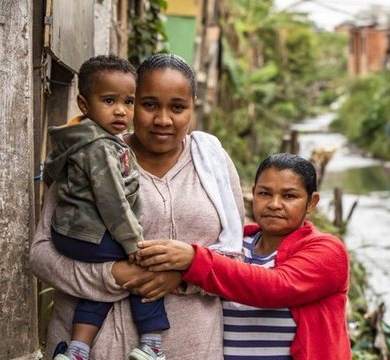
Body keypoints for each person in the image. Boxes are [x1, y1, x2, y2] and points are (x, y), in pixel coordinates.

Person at [30, 53, 244, 359]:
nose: (163, 120)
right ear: (131, 102)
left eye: (178, 107)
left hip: (192, 347)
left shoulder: (213, 163)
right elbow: (40, 255)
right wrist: (113, 275)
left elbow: (237, 262)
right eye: (148, 105)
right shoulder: (90, 156)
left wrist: (186, 275)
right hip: (94, 350)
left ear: (192, 106)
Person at [134, 153, 352, 360]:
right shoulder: (233, 245)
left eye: (289, 196)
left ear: (312, 202)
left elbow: (276, 287)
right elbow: (217, 278)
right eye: (265, 193)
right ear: (254, 192)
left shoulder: (327, 250)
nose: (274, 204)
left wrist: (193, 260)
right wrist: (182, 275)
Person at [42, 54, 169, 360]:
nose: (121, 111)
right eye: (109, 100)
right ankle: (151, 342)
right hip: (90, 233)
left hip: (71, 232)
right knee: (145, 269)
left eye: (129, 102)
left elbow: (49, 174)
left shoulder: (76, 140)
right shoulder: (100, 146)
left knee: (103, 283)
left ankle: (77, 349)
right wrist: (131, 243)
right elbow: (112, 200)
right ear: (84, 105)